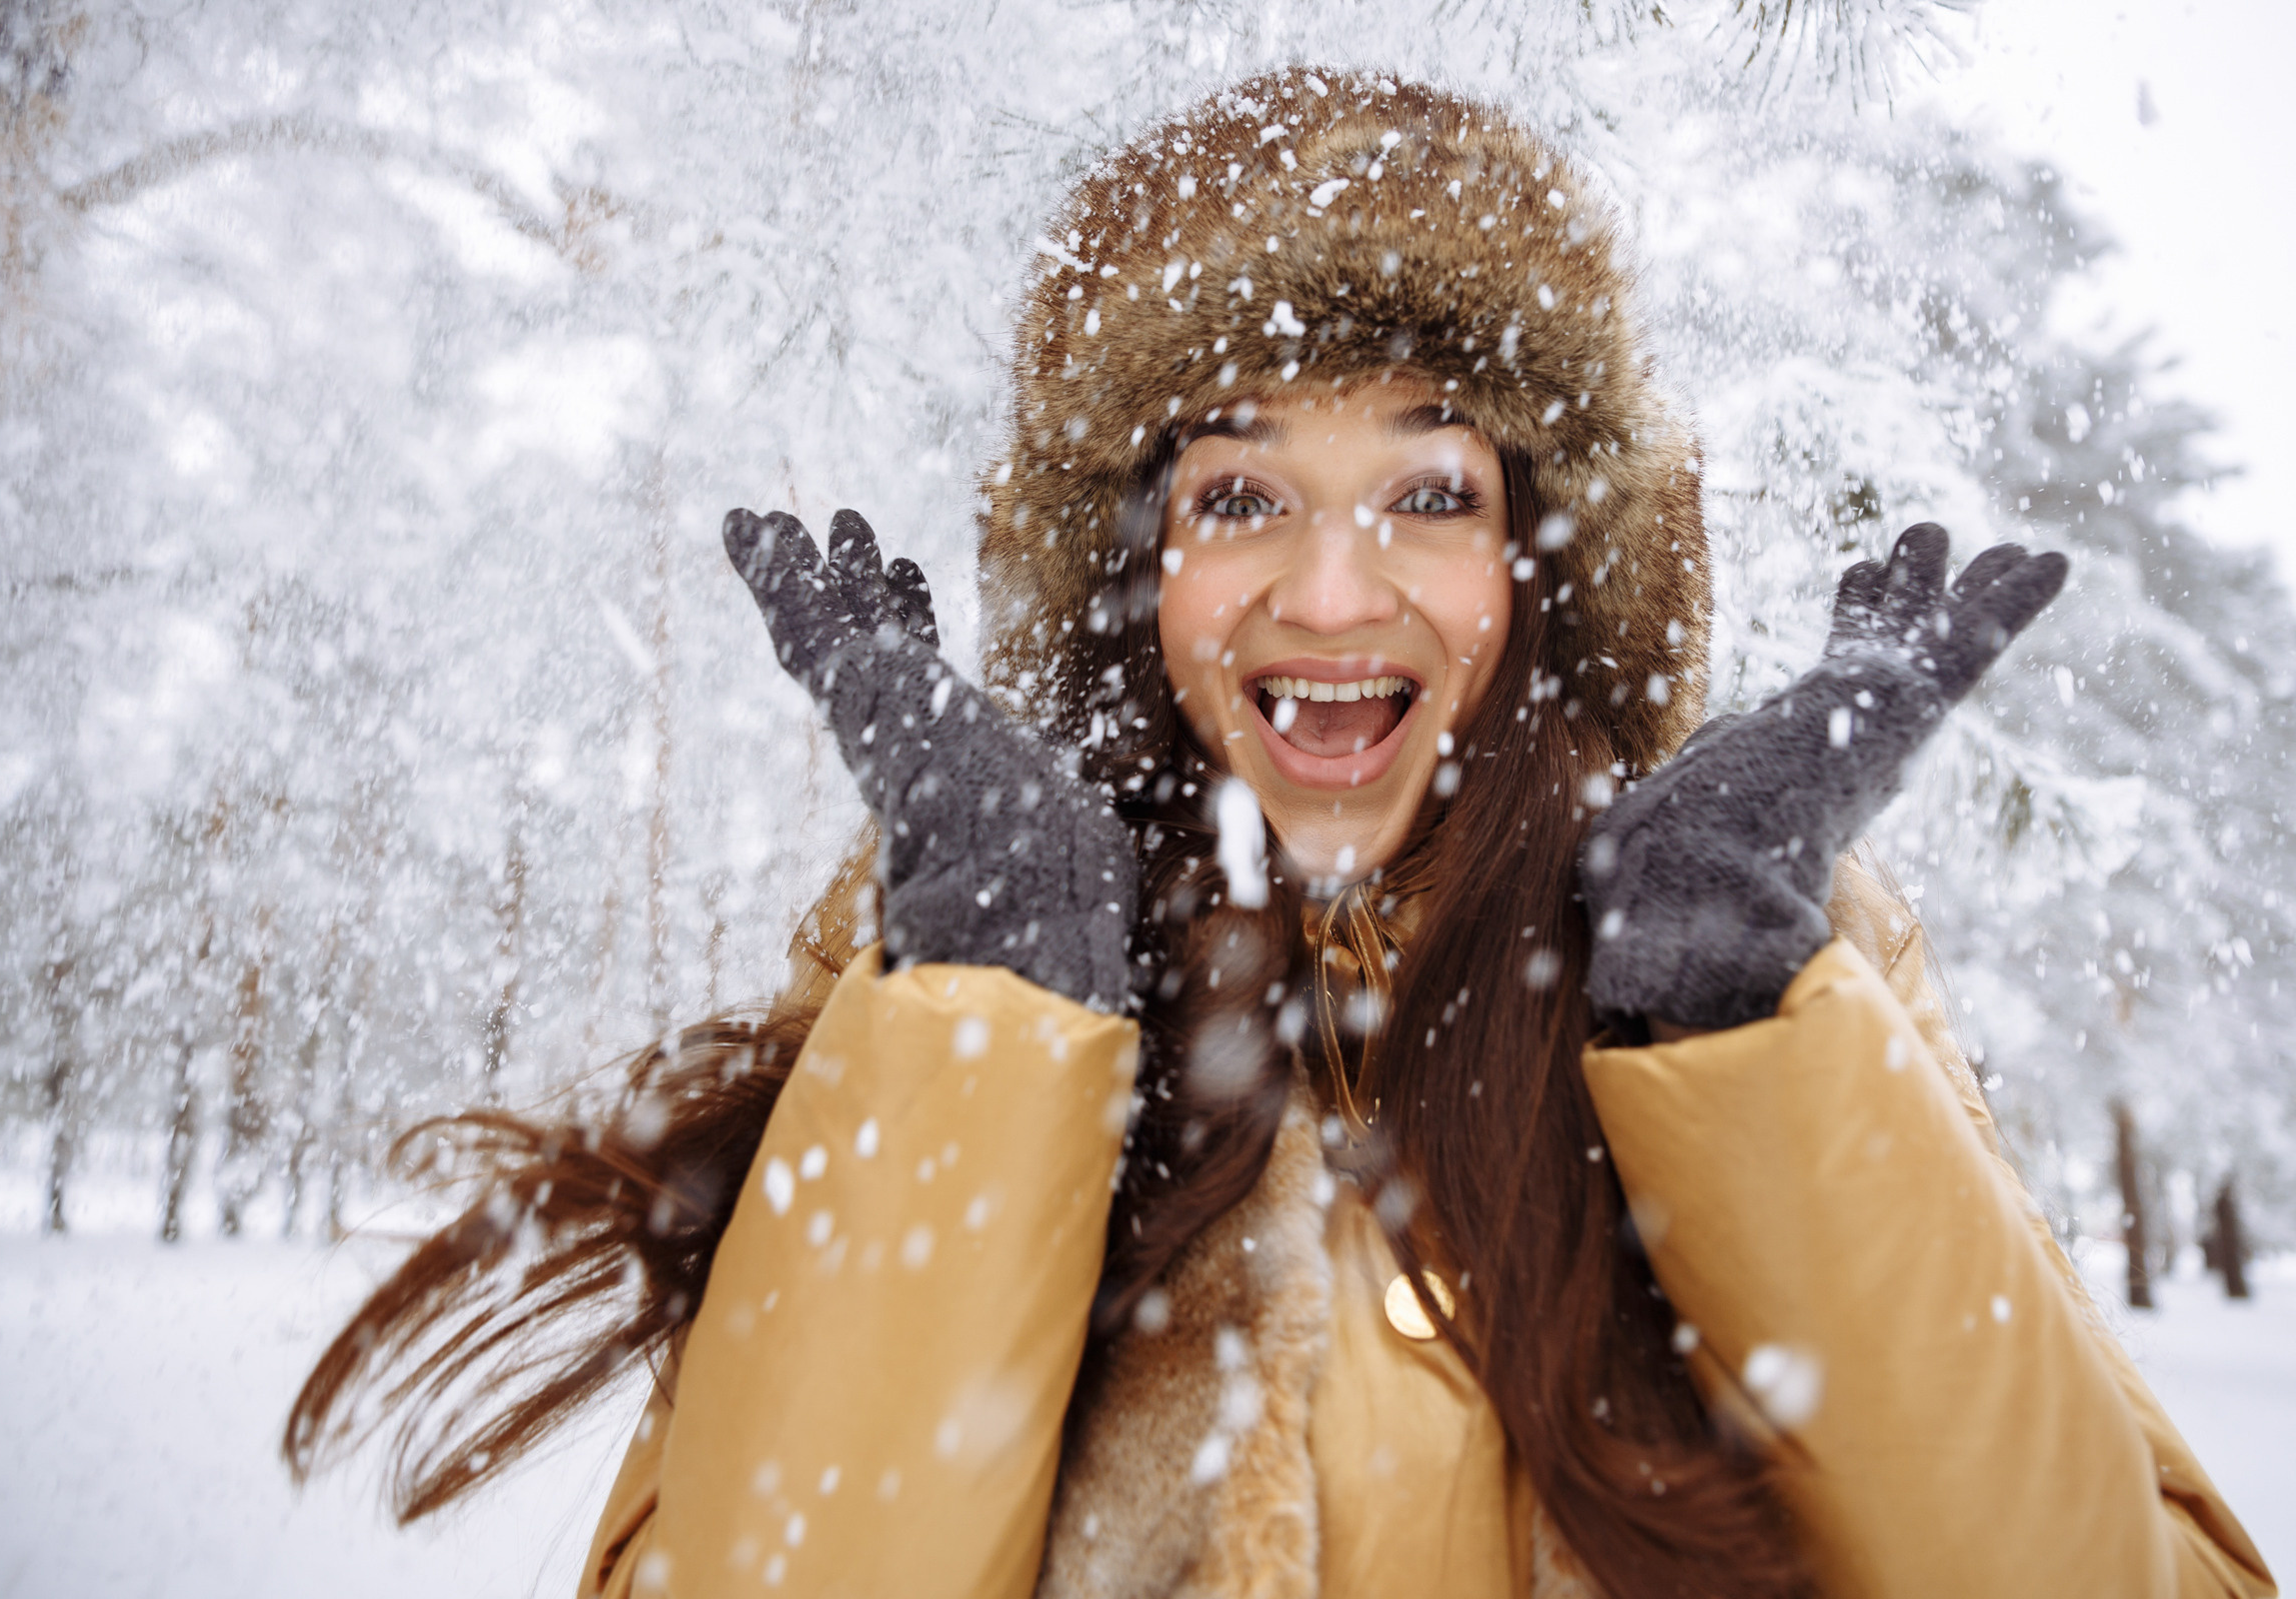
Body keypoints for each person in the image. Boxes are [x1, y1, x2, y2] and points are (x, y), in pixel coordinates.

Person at [284, 69, 2277, 1599]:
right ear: (1132, 573)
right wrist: (989, 1003)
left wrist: (1734, 1018)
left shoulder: (1777, 968)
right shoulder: (935, 975)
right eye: (1238, 496)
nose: (1333, 596)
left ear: (1539, 565)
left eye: (1427, 490)